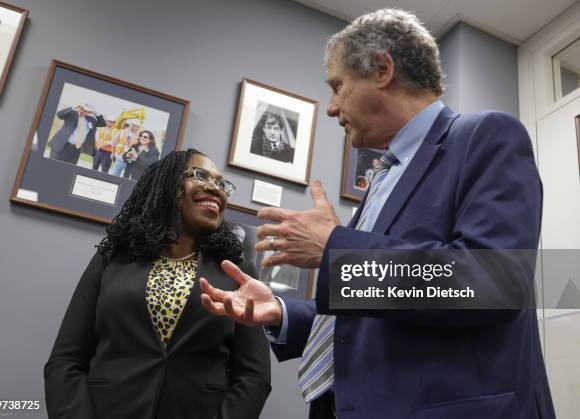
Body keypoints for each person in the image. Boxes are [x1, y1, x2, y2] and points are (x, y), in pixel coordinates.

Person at [200, 8, 555, 419]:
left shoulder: (486, 136)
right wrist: (282, 312)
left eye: (337, 86)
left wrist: (336, 248)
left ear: (383, 69)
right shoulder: (382, 179)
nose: (332, 107)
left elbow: (492, 282)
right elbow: (368, 310)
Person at [44, 149, 271, 419]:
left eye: (222, 184)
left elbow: (254, 375)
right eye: (201, 176)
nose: (216, 189)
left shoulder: (236, 271)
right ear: (166, 185)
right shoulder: (113, 258)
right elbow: (66, 359)